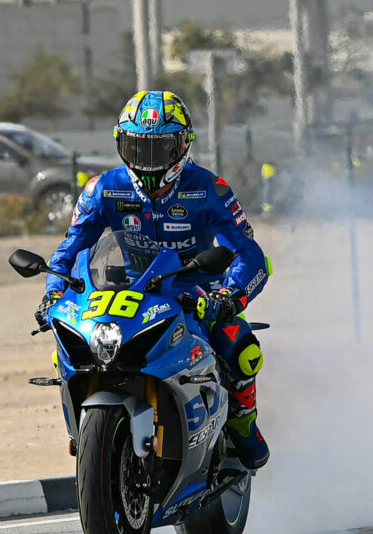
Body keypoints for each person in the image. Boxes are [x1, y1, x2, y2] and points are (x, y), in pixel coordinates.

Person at [35, 90, 270, 470]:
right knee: (71, 342)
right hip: (124, 295)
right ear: (120, 143)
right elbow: (70, 248)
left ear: (182, 146)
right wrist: (53, 293)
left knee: (240, 347)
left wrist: (229, 297)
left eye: (159, 148)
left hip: (196, 293)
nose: (148, 161)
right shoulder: (102, 190)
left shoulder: (211, 190)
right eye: (137, 147)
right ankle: (85, 434)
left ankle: (243, 423)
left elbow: (250, 255)